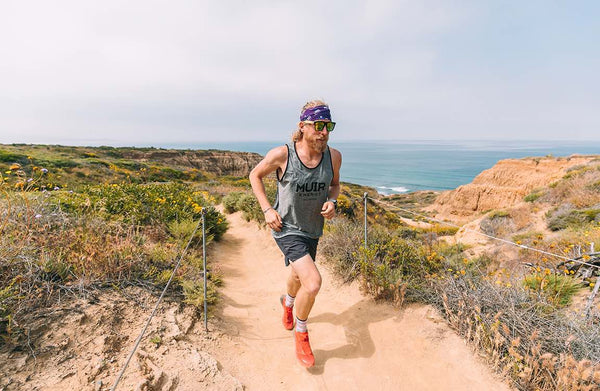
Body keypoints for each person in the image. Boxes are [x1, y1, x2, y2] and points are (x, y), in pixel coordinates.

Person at [249, 99, 342, 368]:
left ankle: (288, 304)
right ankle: (302, 332)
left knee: (297, 276)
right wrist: (267, 209)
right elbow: (255, 175)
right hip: (286, 227)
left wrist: (332, 201)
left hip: (312, 228)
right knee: (312, 282)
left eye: (329, 126)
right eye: (319, 125)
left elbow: (335, 185)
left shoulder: (334, 156)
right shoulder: (283, 154)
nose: (324, 132)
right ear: (303, 126)